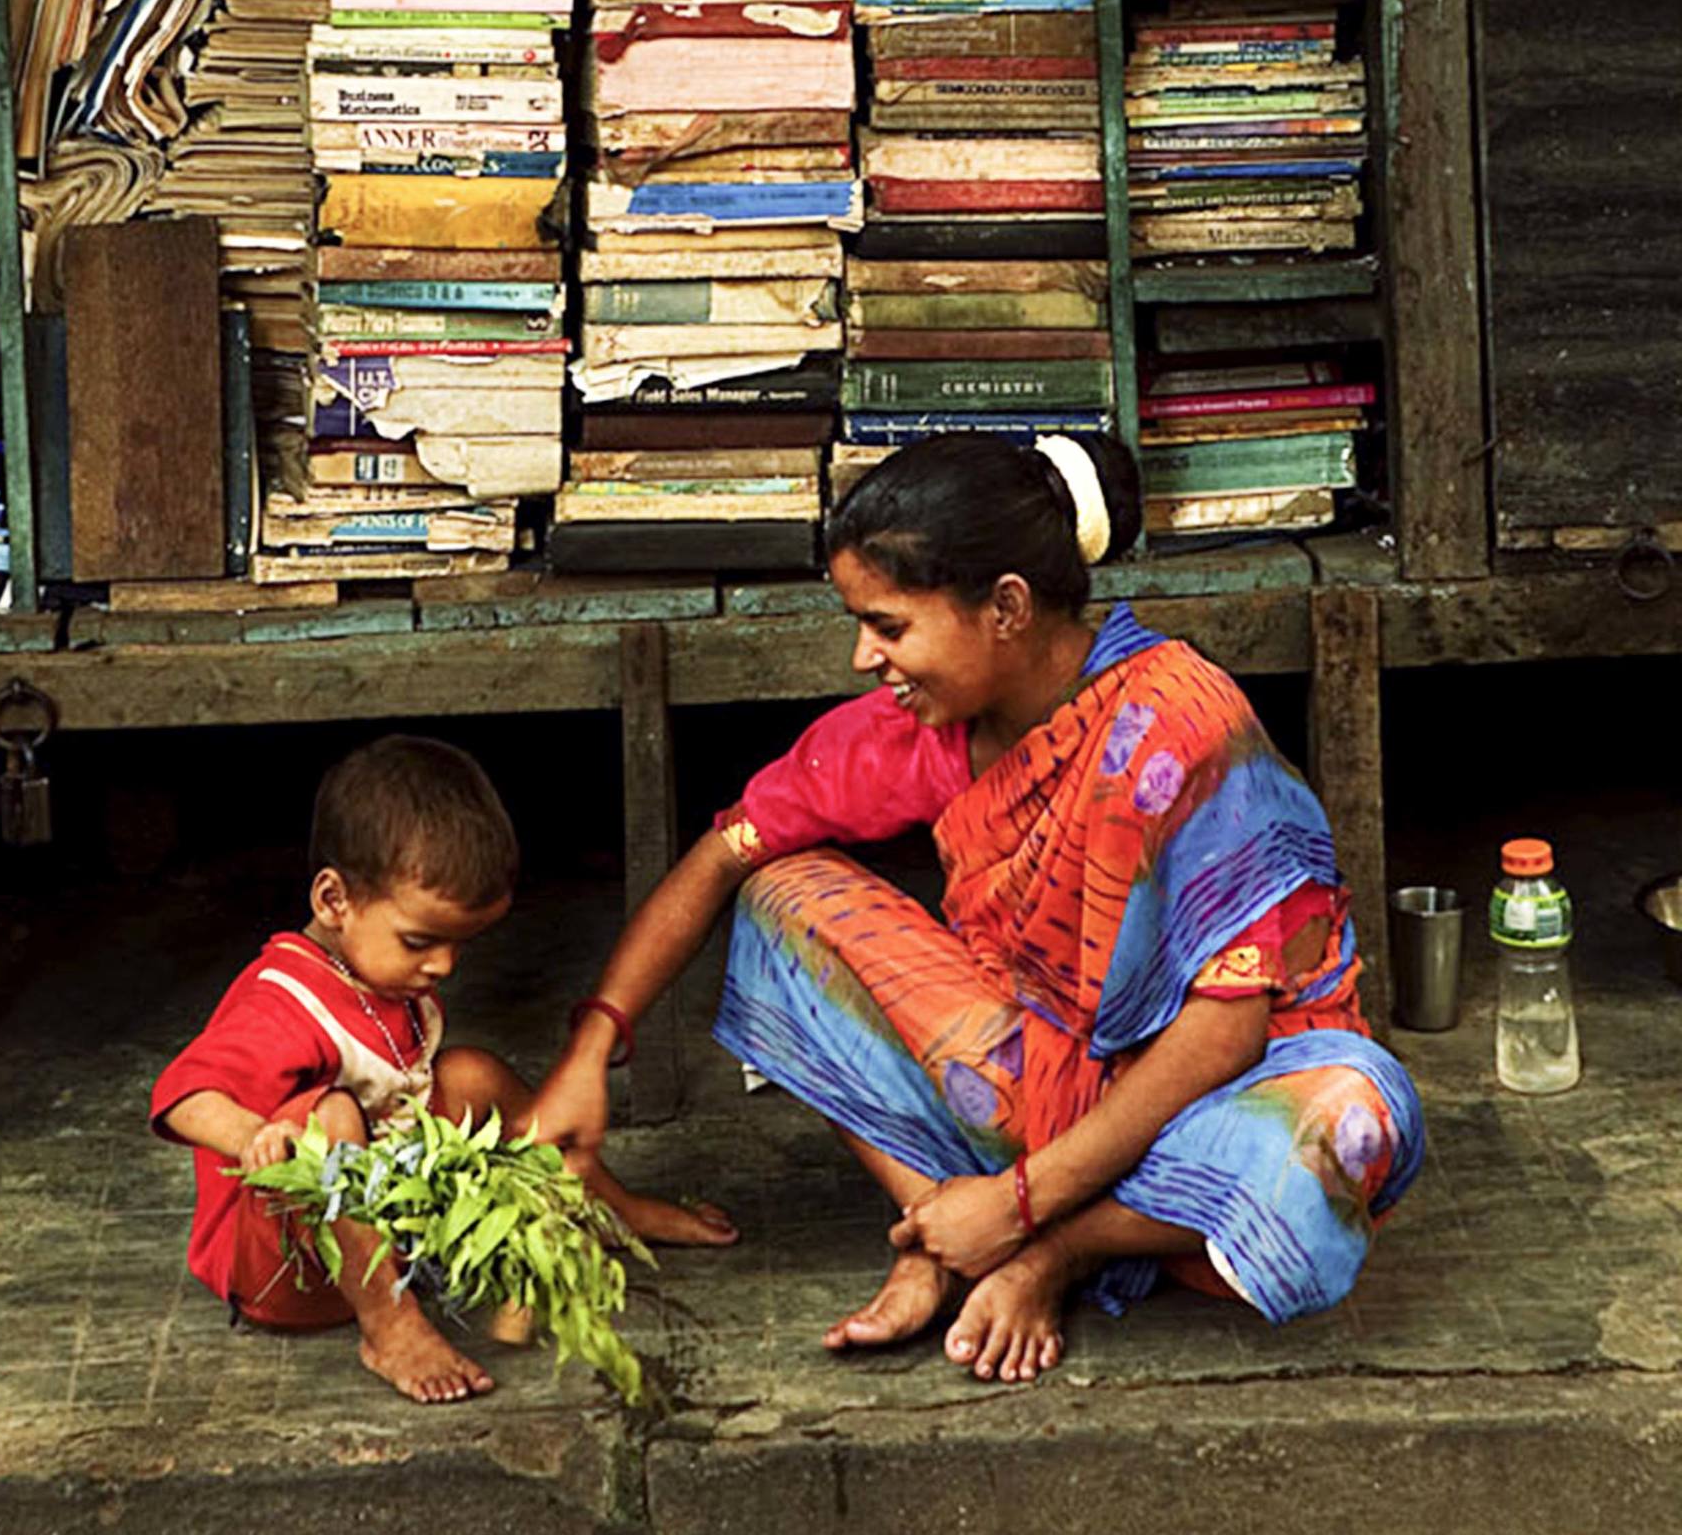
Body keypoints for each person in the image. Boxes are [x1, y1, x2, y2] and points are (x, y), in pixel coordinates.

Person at [529, 433, 1423, 1384]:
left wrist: (1026, 1208)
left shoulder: (1178, 722)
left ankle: (1045, 1251)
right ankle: (942, 1231)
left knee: (1350, 1121)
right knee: (781, 898)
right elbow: (721, 855)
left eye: (889, 625)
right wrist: (591, 1052)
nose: (863, 656)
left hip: (1209, 1096)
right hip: (1032, 1078)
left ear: (1005, 607)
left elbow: (1227, 1033)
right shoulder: (921, 731)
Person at [151, 735, 735, 1406]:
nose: (445, 967)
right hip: (289, 1272)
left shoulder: (382, 976)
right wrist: (255, 1135)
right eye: (421, 941)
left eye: (460, 944)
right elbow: (180, 1095)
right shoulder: (282, 1002)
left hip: (394, 1228)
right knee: (331, 1117)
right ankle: (389, 1329)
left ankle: (606, 1204)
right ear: (333, 899)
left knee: (472, 1074)